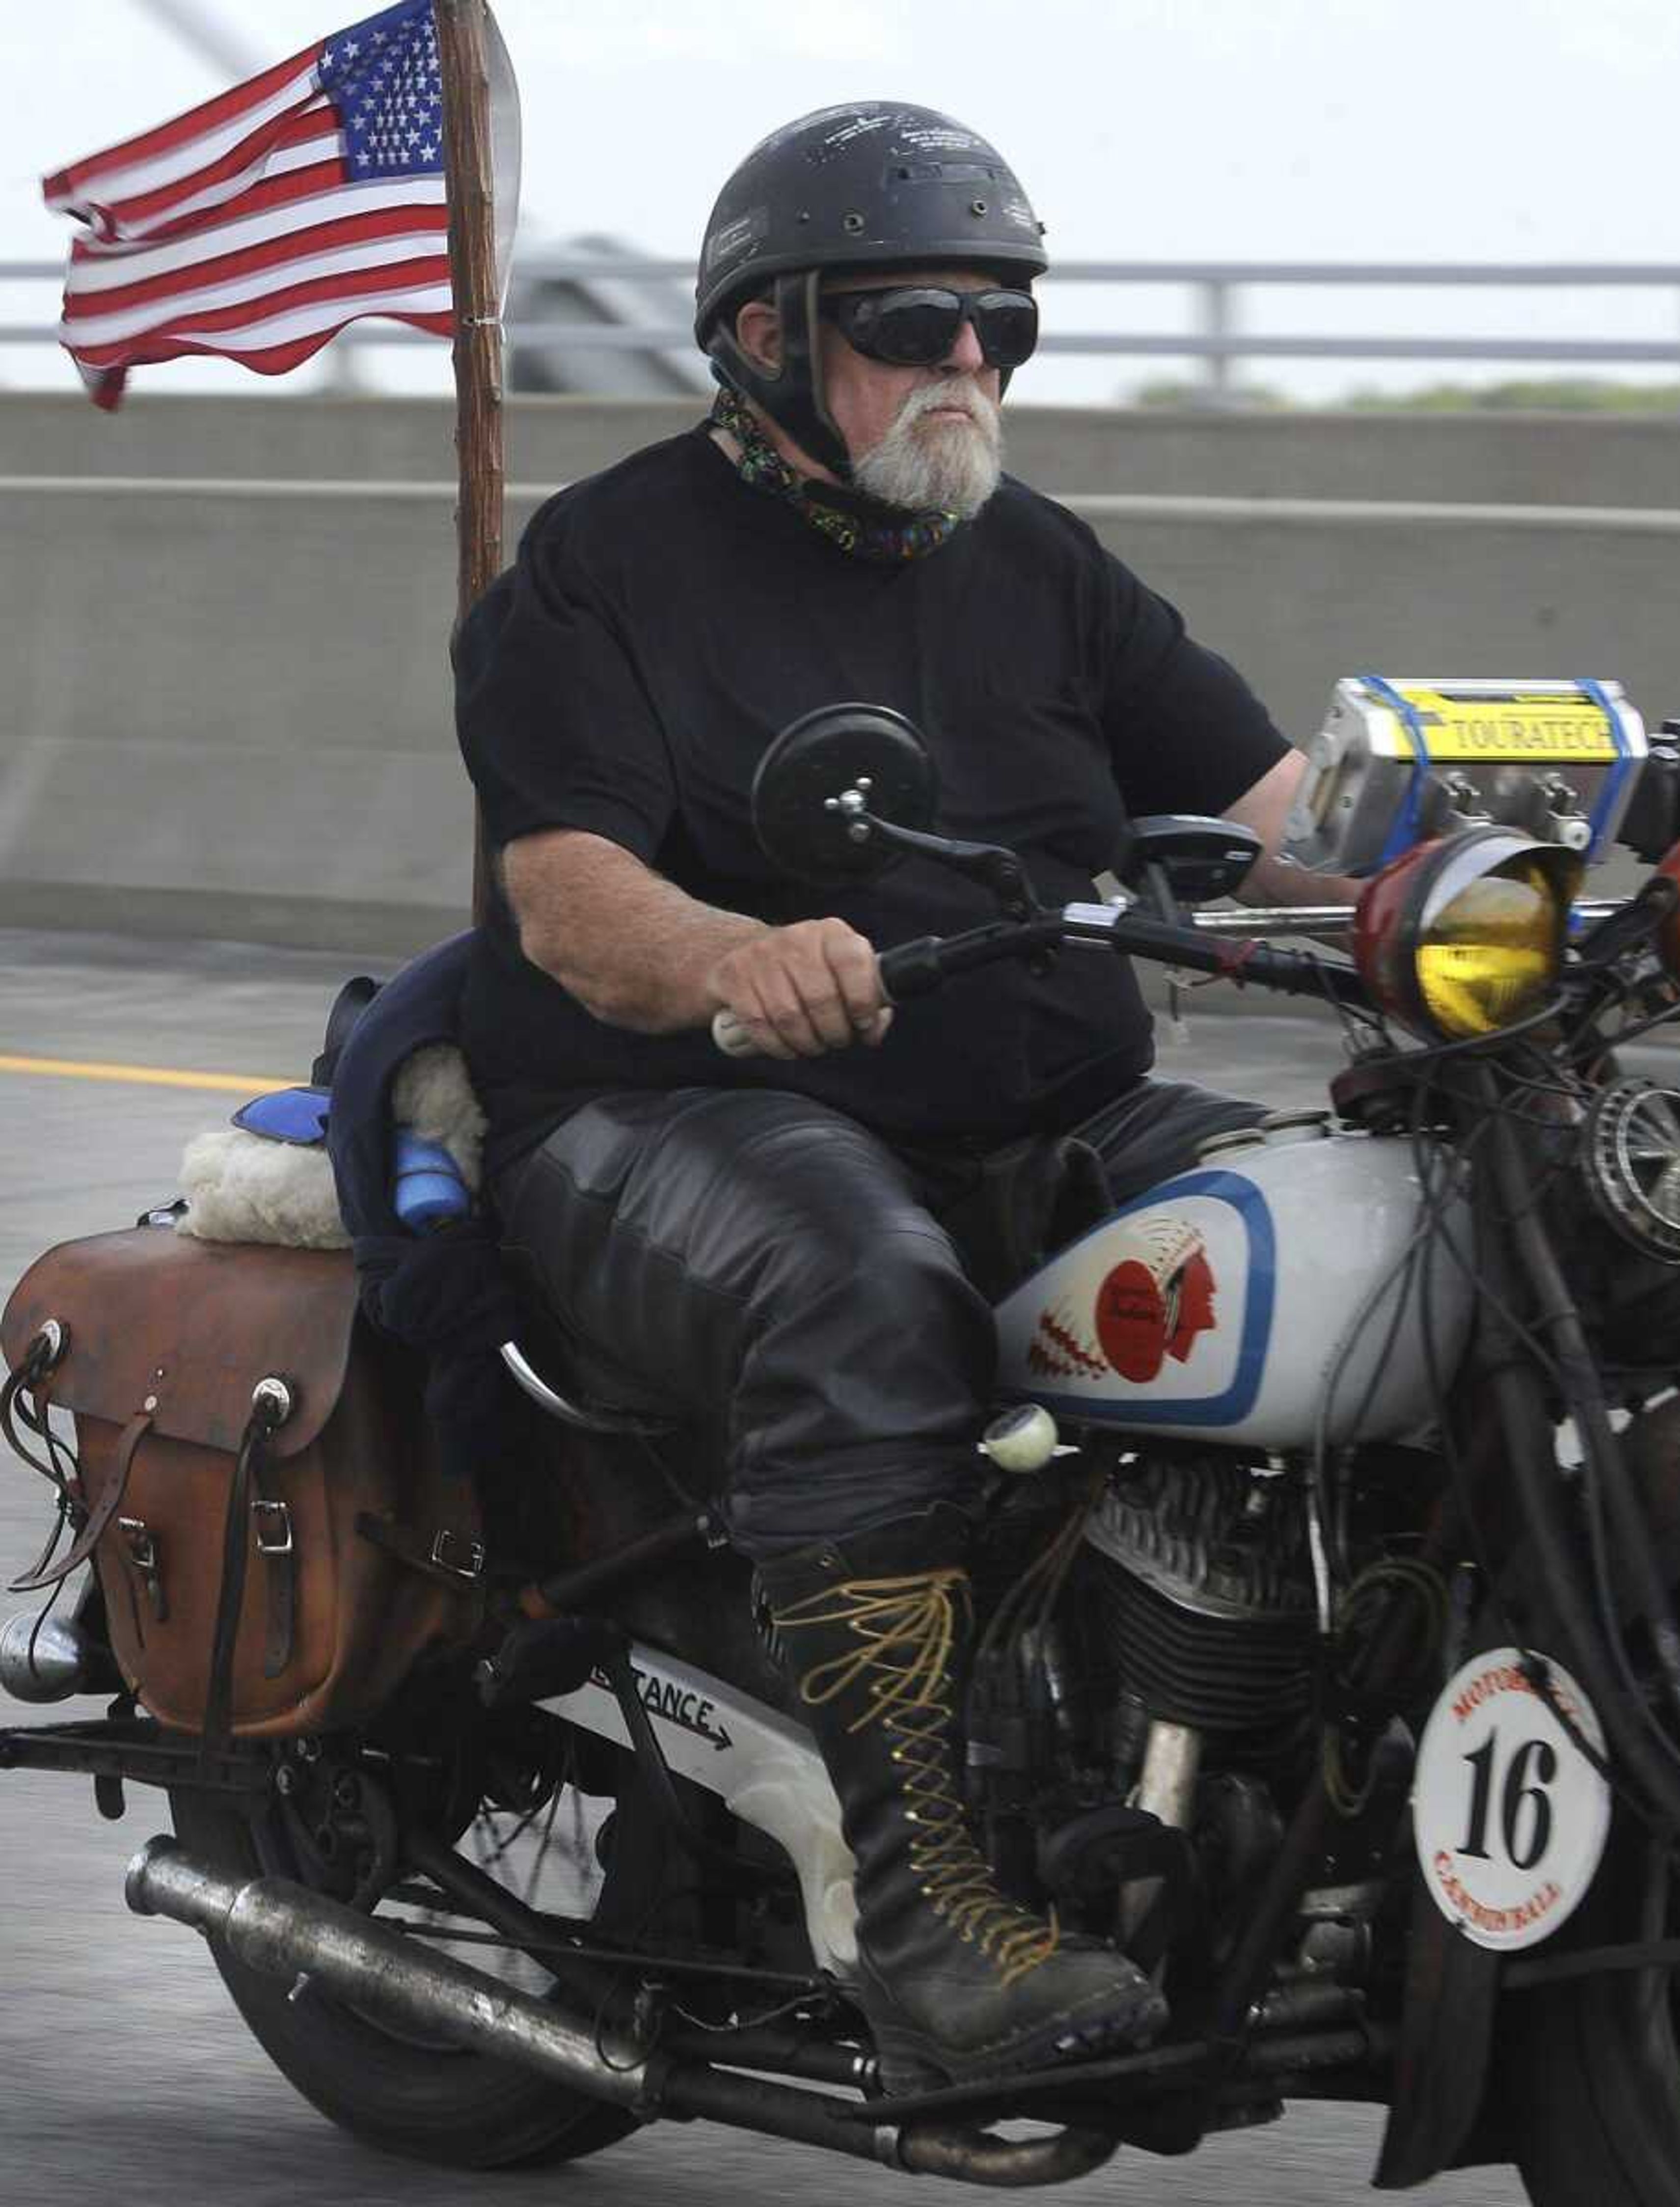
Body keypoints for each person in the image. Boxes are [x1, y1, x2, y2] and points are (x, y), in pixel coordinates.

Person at [454, 101, 1349, 2095]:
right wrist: (733, 957)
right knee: (865, 1289)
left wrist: (1493, 860)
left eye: (1000, 330)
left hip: (1037, 1098)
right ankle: (923, 1917)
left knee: (1344, 1237)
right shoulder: (604, 565)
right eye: (917, 323)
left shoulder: (1034, 560)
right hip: (663, 1111)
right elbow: (570, 897)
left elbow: (1275, 812)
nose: (968, 369)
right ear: (771, 339)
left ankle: (1278, 1781)